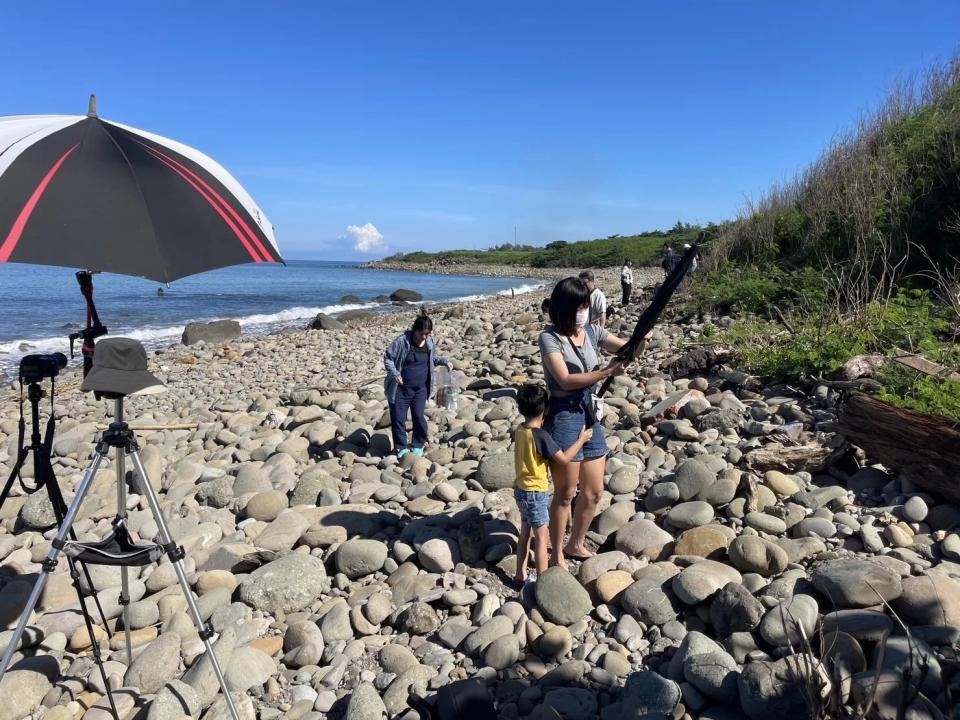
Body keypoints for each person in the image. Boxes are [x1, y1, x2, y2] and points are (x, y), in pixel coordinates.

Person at [539, 277, 647, 567]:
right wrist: (605, 372)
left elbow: (627, 350)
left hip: (588, 413)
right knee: (565, 493)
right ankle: (557, 552)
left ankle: (575, 543)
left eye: (586, 305)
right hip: (563, 415)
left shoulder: (592, 331)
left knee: (595, 490)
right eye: (580, 306)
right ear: (565, 308)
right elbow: (564, 379)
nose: (584, 311)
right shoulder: (550, 338)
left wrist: (640, 342)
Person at [512, 384, 592, 587]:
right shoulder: (541, 436)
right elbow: (564, 459)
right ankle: (543, 581)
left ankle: (520, 575)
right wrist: (581, 440)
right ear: (546, 409)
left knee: (525, 533)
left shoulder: (520, 431)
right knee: (541, 537)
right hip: (536, 492)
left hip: (521, 489)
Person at [384, 311, 450, 458]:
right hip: (400, 389)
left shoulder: (429, 343)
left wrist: (445, 361)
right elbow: (388, 357)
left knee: (419, 416)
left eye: (428, 334)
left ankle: (418, 444)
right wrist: (395, 374)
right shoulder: (402, 341)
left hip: (420, 389)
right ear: (415, 330)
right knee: (398, 419)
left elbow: (433, 359)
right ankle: (401, 448)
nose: (424, 337)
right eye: (422, 334)